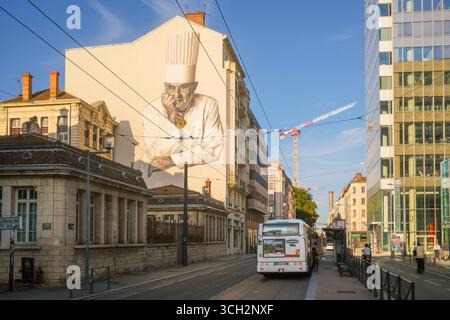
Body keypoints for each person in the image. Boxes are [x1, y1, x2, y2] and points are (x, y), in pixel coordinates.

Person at [142, 31, 224, 177]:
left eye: (183, 87)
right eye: (171, 88)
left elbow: (214, 150)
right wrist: (171, 119)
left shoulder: (209, 105)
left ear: (194, 87)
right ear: (165, 86)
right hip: (150, 176)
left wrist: (172, 159)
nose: (176, 94)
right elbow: (157, 152)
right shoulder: (150, 110)